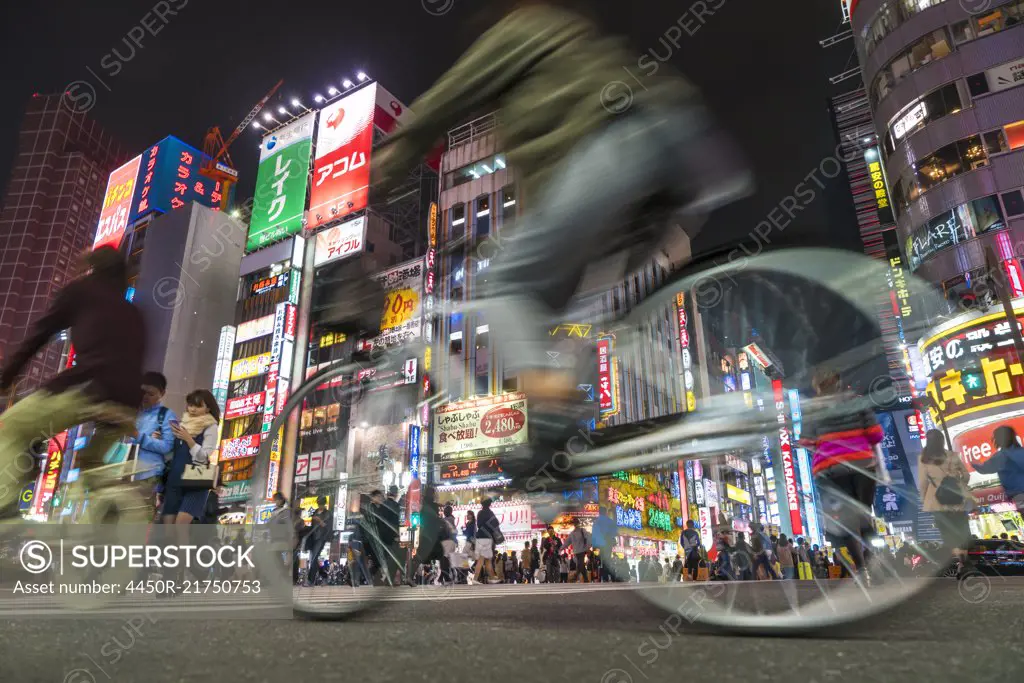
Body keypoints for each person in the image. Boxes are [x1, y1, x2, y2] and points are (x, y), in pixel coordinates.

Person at [369, 0, 752, 481]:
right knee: (562, 313)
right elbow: (549, 217)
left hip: (619, 144)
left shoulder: (522, 28)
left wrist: (388, 159)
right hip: (663, 155)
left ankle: (549, 418)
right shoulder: (567, 48)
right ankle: (577, 420)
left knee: (506, 285)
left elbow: (451, 95)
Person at [0, 246, 145, 521]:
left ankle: (3, 508)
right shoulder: (133, 312)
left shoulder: (81, 291)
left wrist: (8, 377)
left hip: (90, 387)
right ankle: (105, 517)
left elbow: (39, 334)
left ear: (92, 267)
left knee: (12, 428)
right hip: (127, 405)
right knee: (91, 466)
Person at [803, 368, 884, 579]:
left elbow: (807, 441)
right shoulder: (856, 402)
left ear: (817, 386)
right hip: (862, 464)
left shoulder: (813, 409)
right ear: (838, 382)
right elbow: (876, 434)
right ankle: (871, 557)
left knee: (846, 522)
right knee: (864, 515)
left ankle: (861, 567)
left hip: (831, 470)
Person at [161, 390, 220, 556]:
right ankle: (170, 572)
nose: (192, 409)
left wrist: (189, 439)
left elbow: (203, 457)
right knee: (168, 530)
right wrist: (161, 439)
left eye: (198, 405)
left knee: (181, 525)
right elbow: (170, 455)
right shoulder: (181, 425)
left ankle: (181, 571)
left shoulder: (210, 427)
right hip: (175, 480)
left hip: (195, 481)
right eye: (190, 404)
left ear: (208, 408)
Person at [917, 429, 972, 560]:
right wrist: (958, 484)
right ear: (942, 441)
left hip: (937, 500)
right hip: (956, 498)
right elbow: (966, 475)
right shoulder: (952, 455)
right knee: (961, 530)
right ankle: (964, 562)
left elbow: (923, 483)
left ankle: (956, 561)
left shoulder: (924, 459)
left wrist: (924, 500)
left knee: (947, 533)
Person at [133, 372, 177, 492]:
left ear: (162, 393)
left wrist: (139, 437)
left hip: (149, 475)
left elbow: (167, 446)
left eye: (151, 394)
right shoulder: (133, 412)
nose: (145, 397)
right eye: (143, 392)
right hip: (124, 472)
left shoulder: (167, 415)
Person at [974, 426, 1024, 514]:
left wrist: (973, 463)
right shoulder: (1021, 451)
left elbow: (985, 468)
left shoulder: (1002, 455)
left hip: (1020, 495)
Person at [305, 496, 334, 586]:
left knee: (313, 558)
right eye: (318, 503)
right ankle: (324, 575)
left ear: (324, 504)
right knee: (314, 558)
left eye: (320, 503)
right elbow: (310, 524)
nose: (319, 505)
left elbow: (328, 527)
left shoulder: (328, 513)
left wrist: (320, 520)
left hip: (321, 538)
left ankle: (310, 580)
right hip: (313, 537)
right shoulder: (314, 511)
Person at [473, 498, 501, 584]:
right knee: (482, 559)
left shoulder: (479, 513)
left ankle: (491, 577)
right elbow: (496, 523)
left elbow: (478, 524)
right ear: (489, 504)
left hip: (480, 536)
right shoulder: (490, 513)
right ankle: (475, 579)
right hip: (487, 537)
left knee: (487, 559)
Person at [563, 518, 592, 583]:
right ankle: (585, 578)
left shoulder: (582, 530)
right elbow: (568, 542)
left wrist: (588, 547)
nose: (576, 524)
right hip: (576, 551)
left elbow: (587, 538)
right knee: (581, 564)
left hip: (582, 550)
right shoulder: (573, 533)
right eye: (575, 523)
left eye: (576, 523)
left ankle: (576, 575)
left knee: (580, 563)